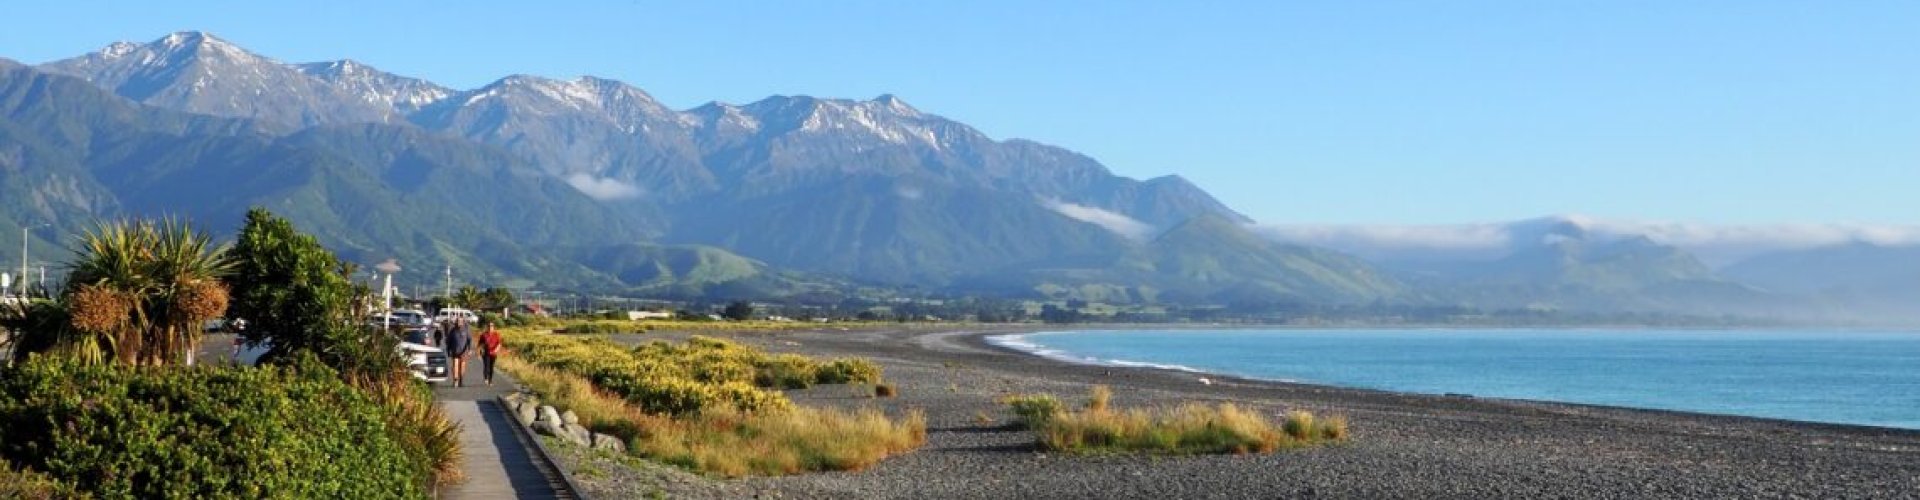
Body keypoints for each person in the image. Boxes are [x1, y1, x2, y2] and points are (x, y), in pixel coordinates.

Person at [478, 321, 504, 386]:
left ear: (493, 327)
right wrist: (481, 350)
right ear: (487, 327)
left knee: (491, 367)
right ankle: (486, 378)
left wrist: (496, 350)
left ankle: (490, 380)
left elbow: (499, 344)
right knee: (486, 366)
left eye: (491, 326)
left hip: (493, 353)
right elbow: (480, 344)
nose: (490, 327)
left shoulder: (496, 334)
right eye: (489, 326)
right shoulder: (484, 334)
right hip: (486, 353)